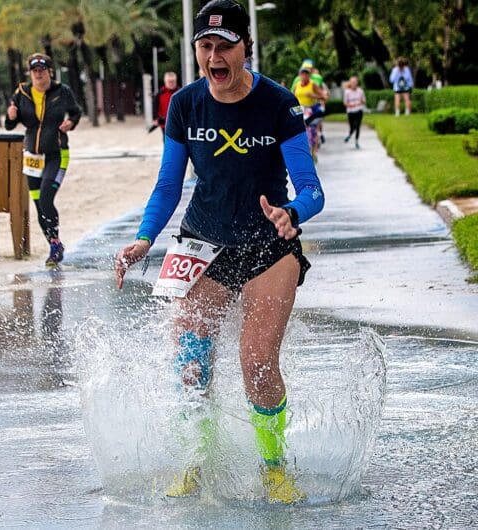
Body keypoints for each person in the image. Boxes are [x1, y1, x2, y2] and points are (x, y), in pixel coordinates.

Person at [115, 0, 325, 503]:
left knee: (255, 362)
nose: (214, 57)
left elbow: (312, 189)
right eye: (205, 47)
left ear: (244, 48)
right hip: (203, 241)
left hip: (269, 246)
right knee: (191, 357)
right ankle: (194, 459)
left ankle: (273, 467)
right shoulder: (186, 104)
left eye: (224, 46)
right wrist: (145, 238)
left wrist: (291, 214)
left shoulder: (278, 104)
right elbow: (169, 184)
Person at [5, 53, 82, 266]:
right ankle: (53, 244)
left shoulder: (62, 91)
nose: (39, 74)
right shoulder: (22, 92)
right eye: (35, 71)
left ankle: (55, 241)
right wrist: (11, 116)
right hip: (32, 156)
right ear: (31, 73)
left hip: (56, 154)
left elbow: (76, 112)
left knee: (47, 197)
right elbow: (9, 125)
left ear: (50, 71)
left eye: (42, 70)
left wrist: (71, 123)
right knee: (39, 203)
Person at [292, 66, 327, 160]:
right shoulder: (297, 85)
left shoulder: (313, 85)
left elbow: (324, 97)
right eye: (302, 74)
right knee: (300, 132)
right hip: (300, 110)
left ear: (309, 76)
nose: (304, 76)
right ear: (299, 75)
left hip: (311, 111)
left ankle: (314, 153)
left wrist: (313, 95)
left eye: (306, 74)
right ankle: (305, 152)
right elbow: (292, 97)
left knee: (312, 131)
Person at [153, 71, 179, 141]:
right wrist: (155, 118)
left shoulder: (180, 92)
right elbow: (155, 106)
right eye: (169, 82)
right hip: (164, 121)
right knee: (166, 139)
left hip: (178, 121)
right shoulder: (160, 92)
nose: (171, 84)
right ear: (165, 82)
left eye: (173, 81)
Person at [343, 75, 366, 149]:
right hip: (350, 112)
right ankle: (349, 135)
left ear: (357, 83)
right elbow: (345, 103)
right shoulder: (347, 92)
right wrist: (351, 105)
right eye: (352, 82)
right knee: (352, 127)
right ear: (350, 83)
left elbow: (364, 100)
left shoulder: (360, 91)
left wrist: (361, 102)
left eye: (355, 82)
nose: (354, 83)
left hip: (359, 111)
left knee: (357, 126)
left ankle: (356, 141)